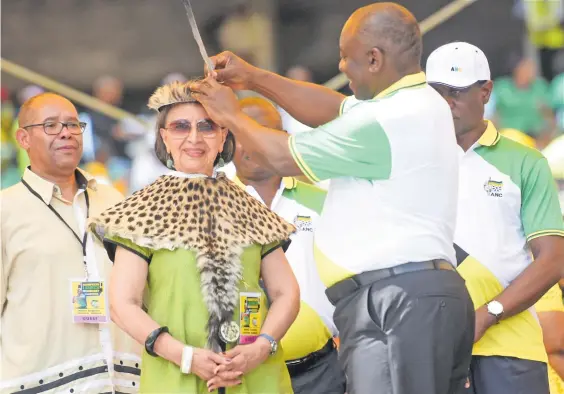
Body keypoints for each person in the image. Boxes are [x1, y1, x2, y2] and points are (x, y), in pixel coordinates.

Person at [191, 3, 475, 393]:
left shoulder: (388, 119)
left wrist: (235, 117)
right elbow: (334, 109)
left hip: (396, 301)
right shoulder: (410, 105)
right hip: (408, 297)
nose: (341, 66)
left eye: (347, 57)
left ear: (374, 58)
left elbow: (283, 157)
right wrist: (253, 78)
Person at [88, 81, 300, 393]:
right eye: (180, 127)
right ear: (163, 136)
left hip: (257, 378)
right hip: (177, 380)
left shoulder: (249, 207)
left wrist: (260, 348)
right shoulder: (140, 211)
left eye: (207, 126)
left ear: (223, 135)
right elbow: (122, 304)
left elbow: (287, 292)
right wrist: (186, 357)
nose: (194, 138)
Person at [426, 41, 564, 394]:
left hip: (510, 350)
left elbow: (553, 260)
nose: (445, 103)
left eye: (455, 92)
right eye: (435, 92)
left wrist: (489, 314)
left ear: (485, 92)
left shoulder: (525, 162)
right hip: (429, 348)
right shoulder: (409, 161)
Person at [0, 93, 141, 393]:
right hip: (42, 384)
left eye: (73, 124)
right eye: (50, 125)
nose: (66, 132)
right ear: (23, 139)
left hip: (121, 381)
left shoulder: (113, 200)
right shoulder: (5, 210)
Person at [233, 96, 345, 394]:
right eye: (241, 134)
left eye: (262, 132)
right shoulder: (212, 203)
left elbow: (349, 275)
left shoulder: (324, 199)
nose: (252, 143)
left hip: (320, 369)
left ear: (284, 140)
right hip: (242, 374)